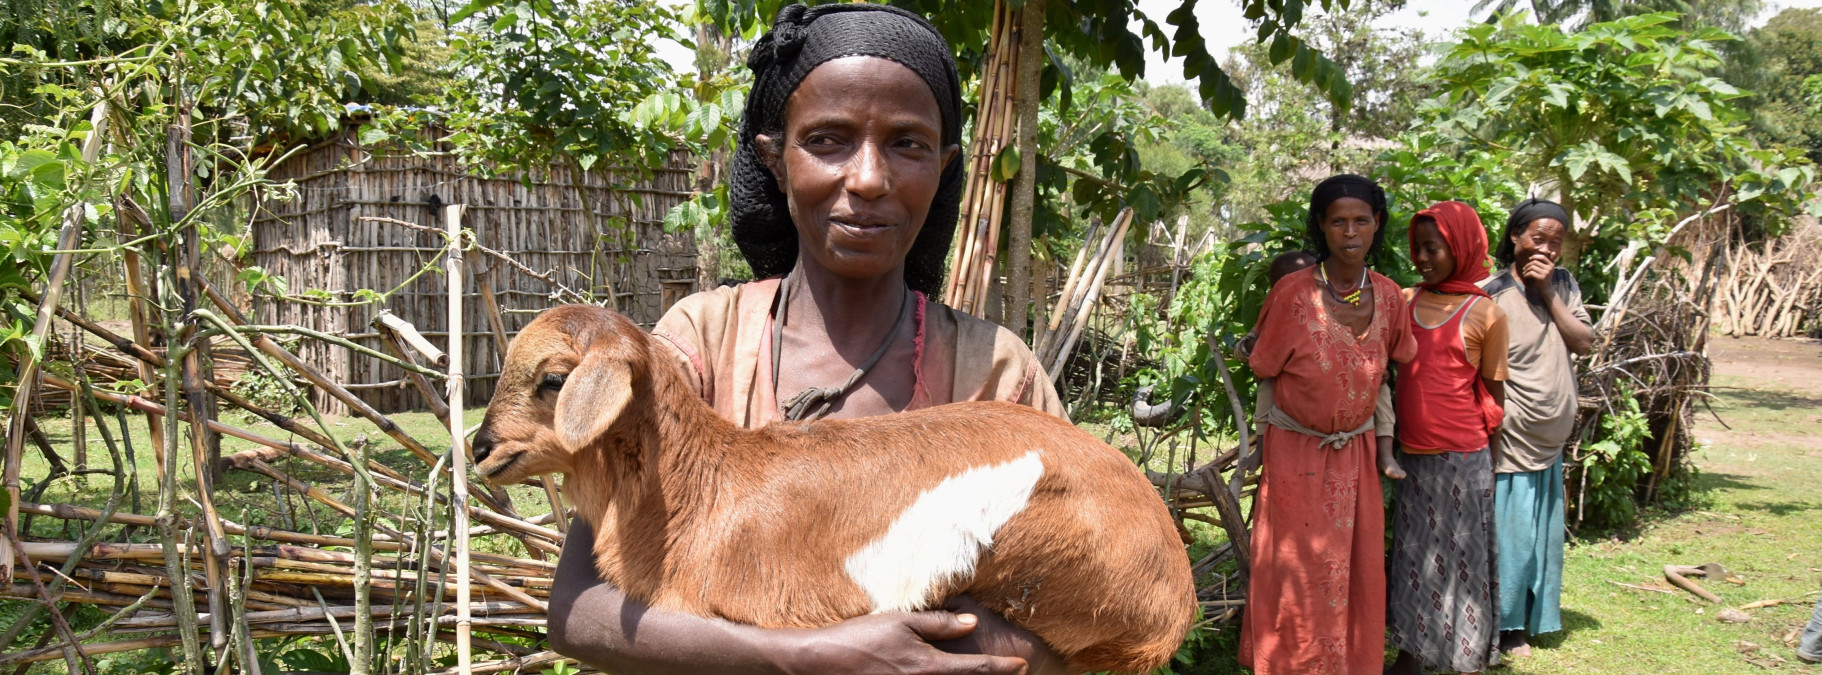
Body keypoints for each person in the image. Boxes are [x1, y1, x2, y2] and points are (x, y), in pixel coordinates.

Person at [544, 5, 1068, 673]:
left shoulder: (995, 374)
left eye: (908, 143)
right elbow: (577, 606)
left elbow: (1073, 625)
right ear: (774, 157)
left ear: (943, 166)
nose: (869, 178)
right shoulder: (696, 347)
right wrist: (802, 653)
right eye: (827, 140)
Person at [1240, 174, 1415, 674]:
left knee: (1352, 567)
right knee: (1294, 565)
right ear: (1321, 226)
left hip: (1355, 455)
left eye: (1362, 220)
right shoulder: (1292, 294)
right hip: (1297, 451)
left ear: (1377, 224)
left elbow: (1391, 366)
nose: (1351, 232)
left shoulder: (1389, 297)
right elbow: (1264, 365)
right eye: (1338, 221)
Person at [1386, 202, 1510, 675]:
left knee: (1463, 561)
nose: (1422, 258)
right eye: (1417, 248)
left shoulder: (1486, 314)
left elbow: (1494, 394)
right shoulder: (1404, 300)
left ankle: (1466, 657)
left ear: (1460, 248)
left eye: (1433, 248)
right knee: (1415, 557)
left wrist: (1491, 462)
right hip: (1413, 459)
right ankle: (1411, 657)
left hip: (1464, 458)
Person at [1482, 197, 1593, 658]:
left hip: (1550, 439)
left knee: (1541, 536)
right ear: (1515, 237)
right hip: (1511, 439)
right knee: (1512, 537)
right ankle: (1505, 628)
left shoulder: (1564, 286)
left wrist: (1547, 291)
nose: (1546, 248)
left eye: (1555, 241)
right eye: (1537, 238)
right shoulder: (1490, 292)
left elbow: (1584, 342)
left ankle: (1530, 617)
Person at [1239, 252, 1401, 482]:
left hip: (1353, 384)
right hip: (1293, 402)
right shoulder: (1278, 311)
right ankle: (1262, 448)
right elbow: (1250, 344)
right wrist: (1254, 348)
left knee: (1380, 389)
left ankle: (1385, 451)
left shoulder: (1341, 305)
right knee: (1267, 387)